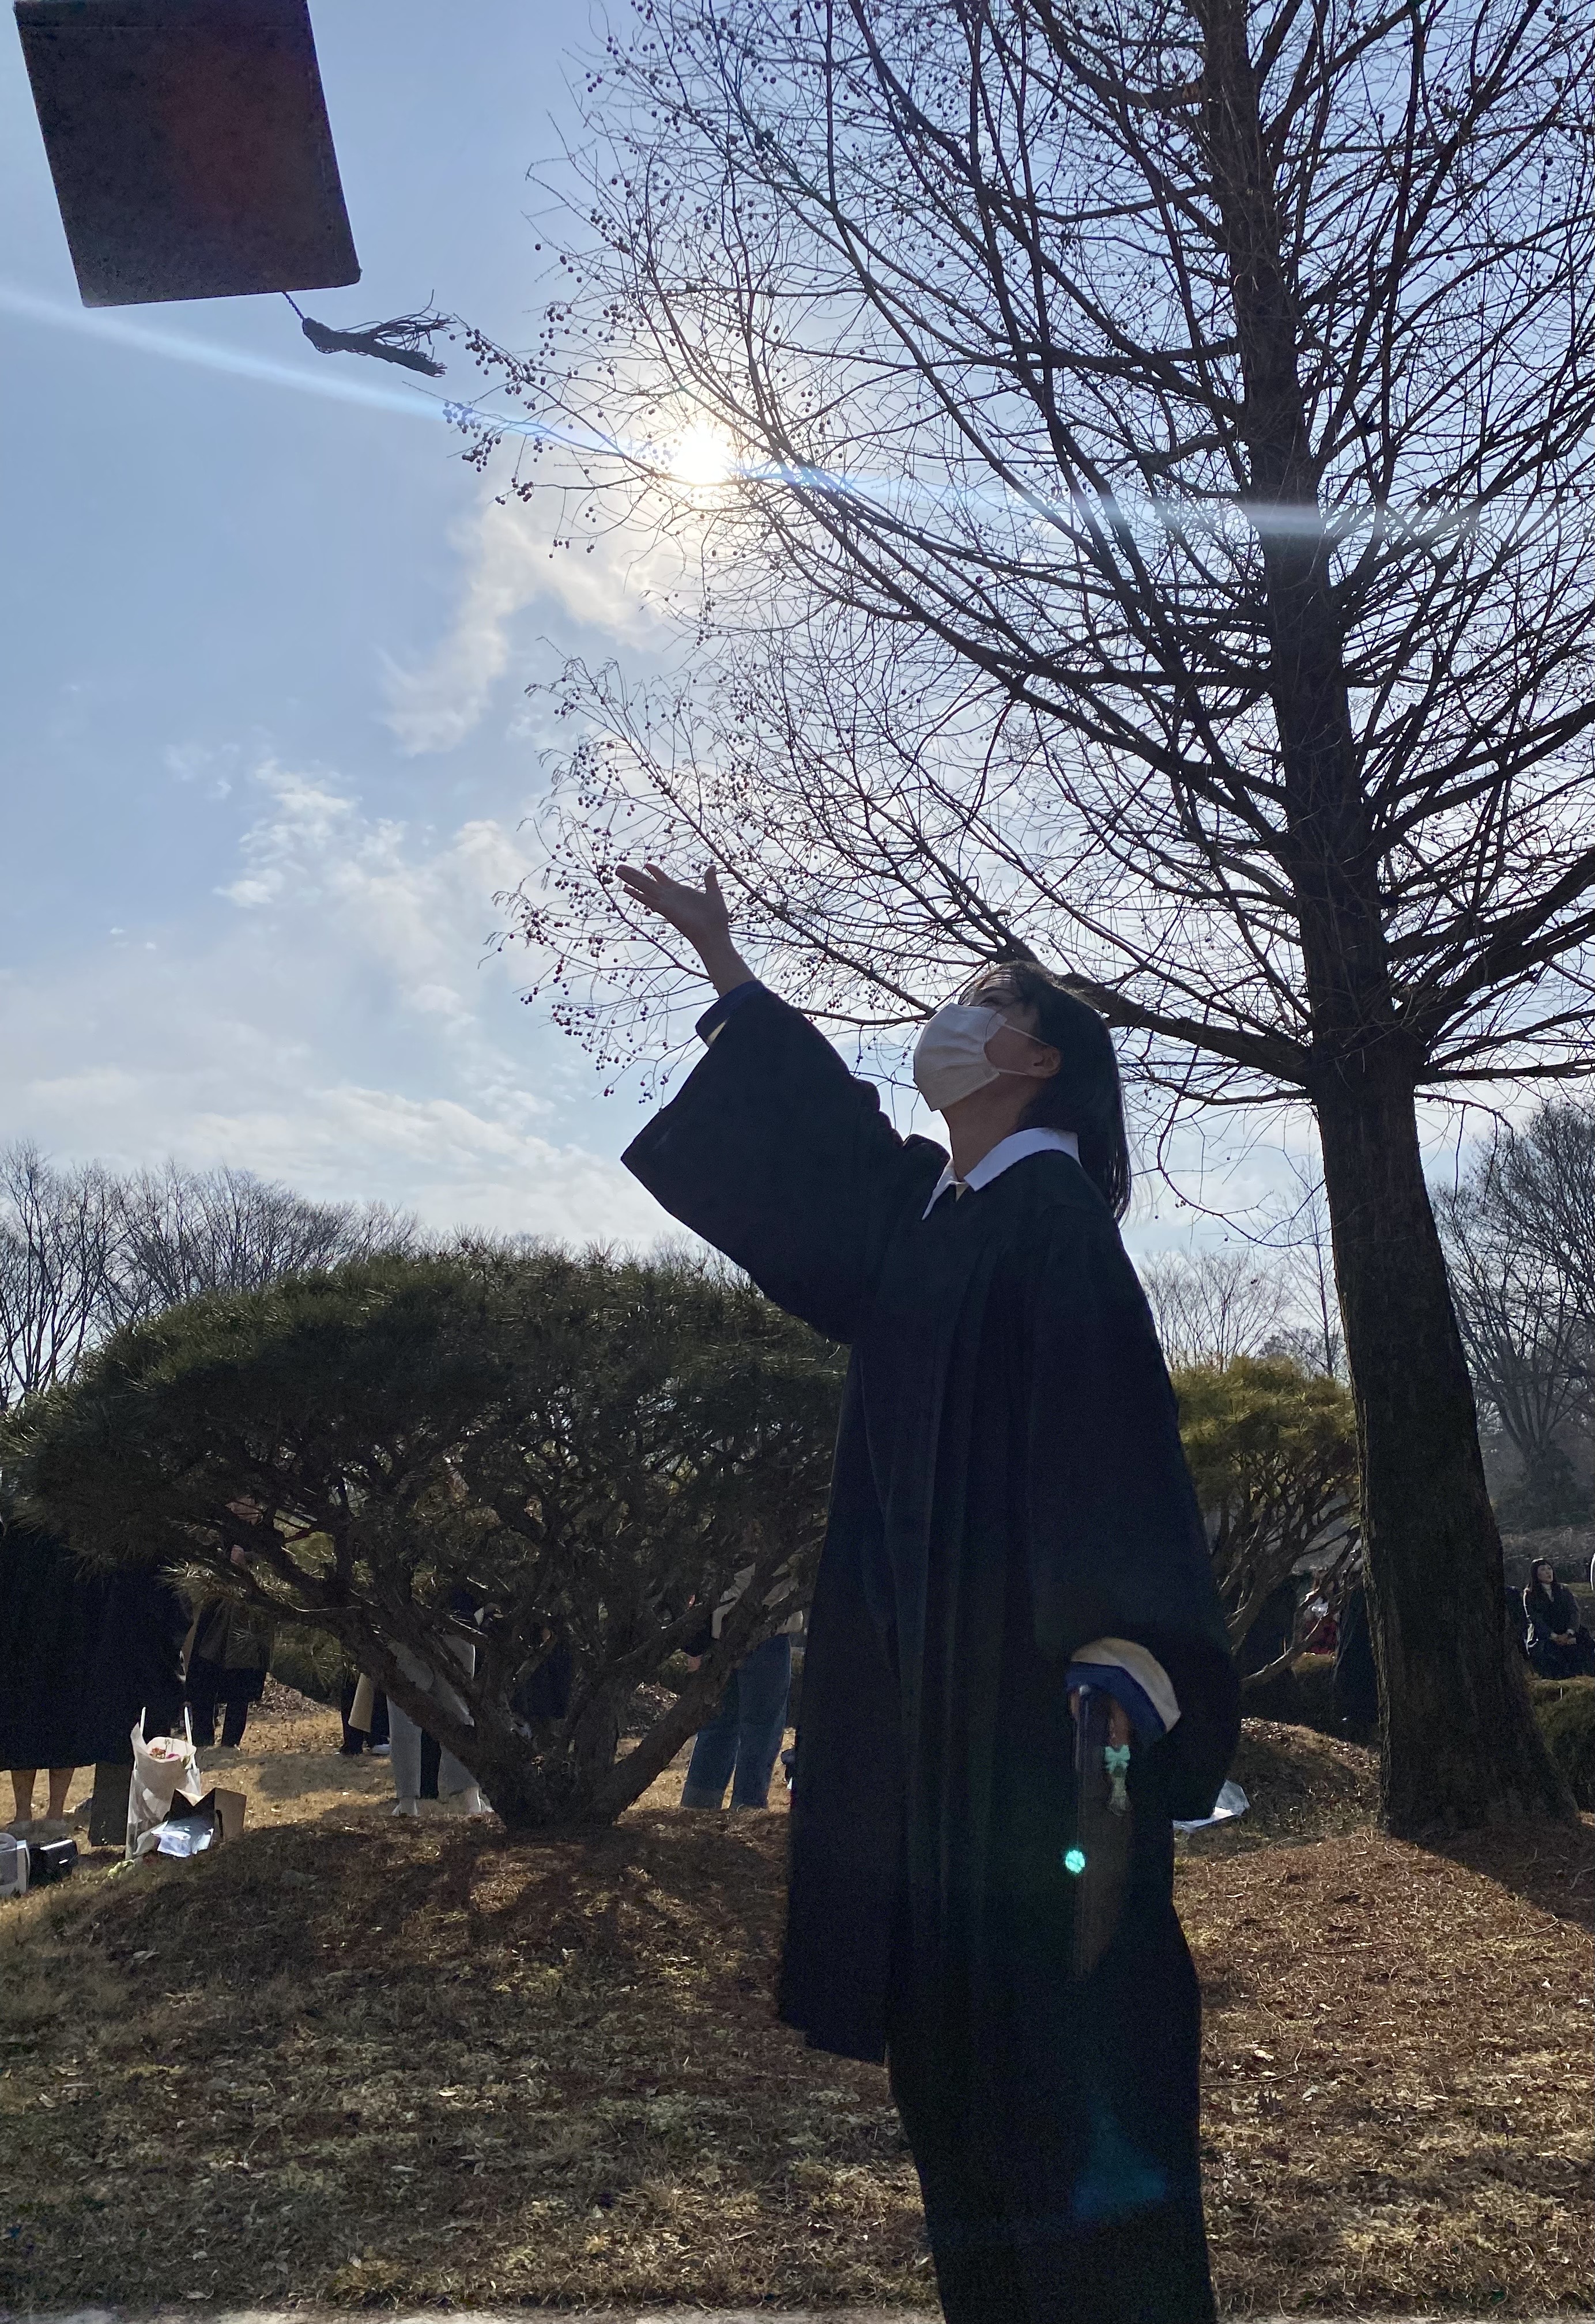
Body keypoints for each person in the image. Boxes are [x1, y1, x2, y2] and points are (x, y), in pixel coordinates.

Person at [613, 863, 1240, 2324]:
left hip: (1032, 1736)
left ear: (1037, 1058)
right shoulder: (940, 1217)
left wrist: (1125, 1664)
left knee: (1064, 2067)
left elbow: (1115, 1451)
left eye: (979, 1004)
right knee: (957, 2081)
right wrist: (729, 972)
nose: (947, 1022)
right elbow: (833, 1149)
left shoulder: (1055, 1225)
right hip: (924, 1733)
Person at [680, 1565, 805, 1812]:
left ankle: (698, 1804)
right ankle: (747, 1806)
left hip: (722, 1633)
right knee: (762, 1729)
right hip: (768, 1635)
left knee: (717, 1724)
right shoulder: (787, 1547)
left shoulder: (729, 1548)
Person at [184, 1546, 274, 1748]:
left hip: (247, 1619)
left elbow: (274, 1569)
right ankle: (202, 1741)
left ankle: (230, 1743)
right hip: (215, 1613)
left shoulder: (265, 1542)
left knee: (240, 1686)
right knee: (203, 1680)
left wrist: (247, 1562)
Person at [1522, 1559, 1595, 1680]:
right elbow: (1535, 1619)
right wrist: (1554, 1636)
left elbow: (1574, 1612)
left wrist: (1569, 1633)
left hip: (1568, 1631)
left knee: (1585, 1645)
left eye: (1549, 1569)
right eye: (1543, 1570)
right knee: (1548, 1652)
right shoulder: (1530, 1595)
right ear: (1536, 1574)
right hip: (1544, 1635)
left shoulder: (1563, 1590)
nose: (1548, 1572)